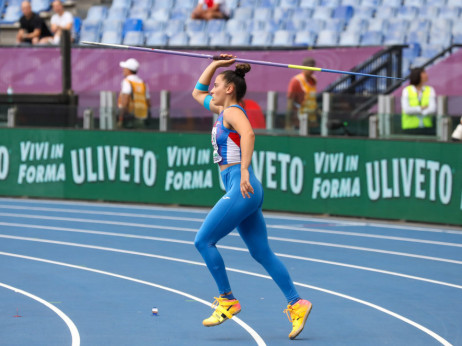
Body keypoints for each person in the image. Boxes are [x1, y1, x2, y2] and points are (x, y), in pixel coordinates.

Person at [192, 54, 312, 340]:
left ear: (230, 89)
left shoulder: (233, 112)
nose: (212, 89)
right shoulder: (221, 110)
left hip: (241, 186)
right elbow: (197, 92)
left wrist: (244, 171)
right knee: (261, 253)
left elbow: (249, 134)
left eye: (217, 84)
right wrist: (216, 66)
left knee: (203, 241)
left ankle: (227, 299)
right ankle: (297, 303)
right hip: (245, 189)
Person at [401, 67, 436, 135]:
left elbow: (432, 109)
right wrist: (421, 108)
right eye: (424, 73)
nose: (426, 75)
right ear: (417, 75)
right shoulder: (407, 90)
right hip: (409, 128)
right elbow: (406, 110)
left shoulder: (430, 90)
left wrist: (416, 110)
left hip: (427, 128)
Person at [117, 58, 151, 129]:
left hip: (129, 119)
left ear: (128, 70)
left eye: (125, 68)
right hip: (141, 119)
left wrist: (121, 118)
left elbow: (125, 100)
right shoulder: (143, 83)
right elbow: (148, 103)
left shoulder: (127, 82)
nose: (123, 70)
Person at [286, 57, 318, 130]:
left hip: (311, 119)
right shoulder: (296, 81)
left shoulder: (314, 80)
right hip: (299, 119)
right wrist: (288, 123)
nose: (311, 70)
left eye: (313, 67)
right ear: (303, 67)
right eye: (309, 67)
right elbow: (290, 103)